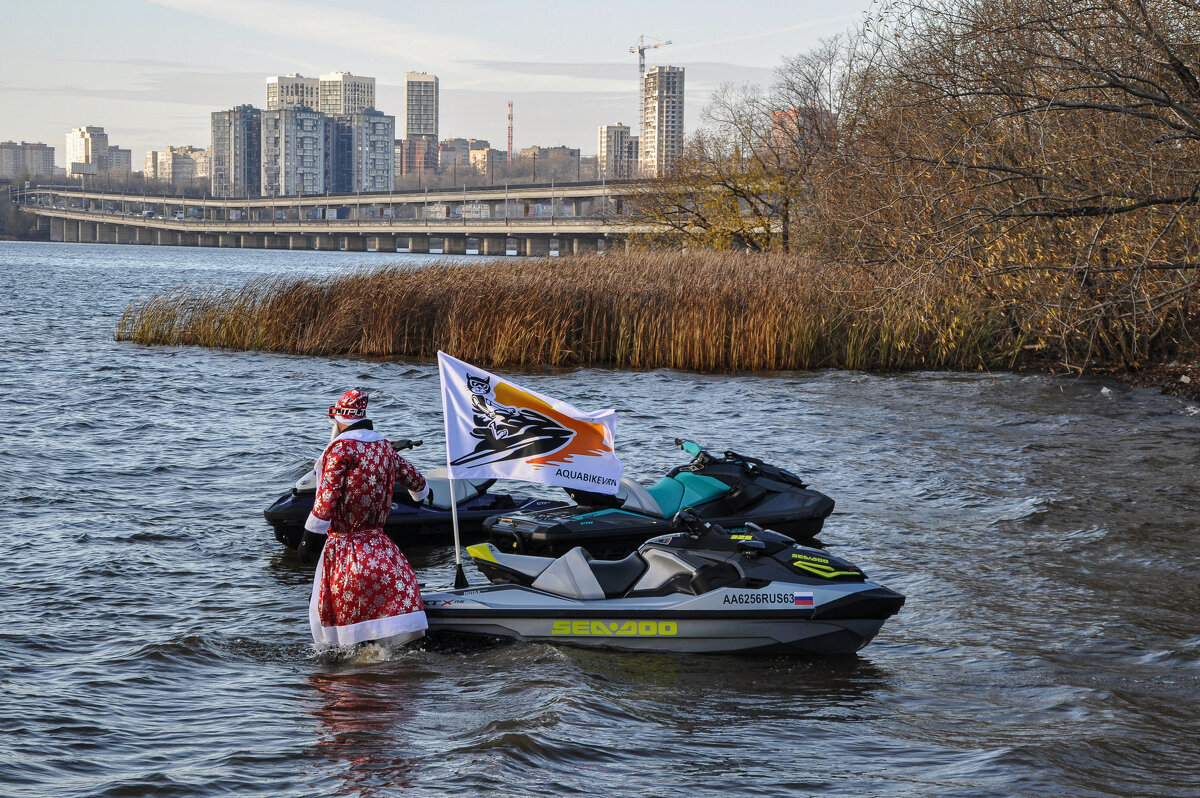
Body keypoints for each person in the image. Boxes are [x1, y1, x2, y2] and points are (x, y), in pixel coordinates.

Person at [305, 388, 429, 649]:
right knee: (387, 636)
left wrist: (309, 537)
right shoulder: (384, 446)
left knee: (340, 639)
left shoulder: (340, 449)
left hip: (345, 551)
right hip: (380, 549)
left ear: (340, 419)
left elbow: (327, 498)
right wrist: (421, 495)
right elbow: (417, 481)